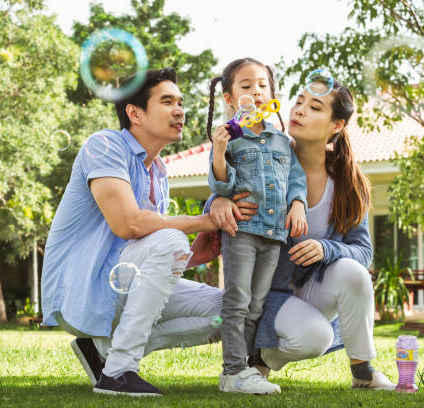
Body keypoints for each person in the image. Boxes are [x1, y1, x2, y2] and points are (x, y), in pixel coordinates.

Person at [41, 68, 238, 397]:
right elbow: (129, 225)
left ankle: (104, 355)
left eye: (181, 102)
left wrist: (198, 254)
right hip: (82, 290)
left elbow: (145, 261)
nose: (180, 110)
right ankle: (118, 373)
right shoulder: (103, 146)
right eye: (167, 101)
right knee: (173, 238)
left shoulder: (158, 172)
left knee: (228, 311)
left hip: (116, 285)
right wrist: (203, 222)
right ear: (134, 112)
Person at [199, 76, 395, 390]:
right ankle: (257, 361)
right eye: (299, 101)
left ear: (336, 125)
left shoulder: (347, 181)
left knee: (354, 273)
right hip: (271, 295)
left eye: (314, 107)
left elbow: (363, 252)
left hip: (316, 288)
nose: (299, 110)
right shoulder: (269, 150)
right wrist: (218, 199)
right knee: (315, 338)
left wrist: (325, 247)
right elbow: (232, 188)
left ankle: (363, 373)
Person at [206, 57, 308, 394]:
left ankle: (245, 371)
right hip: (242, 232)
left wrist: (297, 204)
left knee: (256, 305)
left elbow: (296, 179)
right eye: (246, 86)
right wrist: (219, 150)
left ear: (272, 93)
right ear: (231, 99)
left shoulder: (282, 142)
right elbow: (221, 186)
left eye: (262, 85)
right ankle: (232, 369)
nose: (256, 91)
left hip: (274, 235)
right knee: (237, 300)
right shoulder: (230, 140)